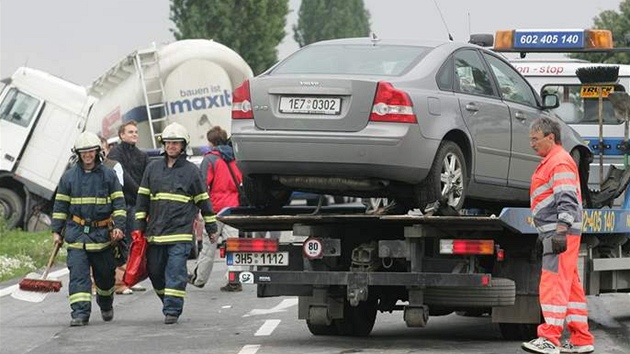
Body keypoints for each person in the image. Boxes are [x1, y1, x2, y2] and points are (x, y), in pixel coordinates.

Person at [522, 117, 595, 354]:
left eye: (535, 139)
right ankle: (581, 339)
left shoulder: (559, 162)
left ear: (550, 137)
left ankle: (550, 338)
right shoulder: (555, 161)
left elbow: (567, 200)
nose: (531, 144)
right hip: (557, 232)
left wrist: (560, 231)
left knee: (553, 283)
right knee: (570, 286)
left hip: (560, 232)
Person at [134, 122, 217, 324]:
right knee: (154, 272)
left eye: (175, 143)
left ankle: (172, 309)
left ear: (183, 146)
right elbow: (142, 201)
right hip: (155, 233)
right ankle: (168, 299)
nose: (171, 146)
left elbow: (204, 201)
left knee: (175, 271)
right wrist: (138, 229)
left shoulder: (191, 171)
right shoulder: (152, 168)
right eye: (168, 142)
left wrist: (211, 227)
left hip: (180, 234)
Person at [50, 131, 126, 326]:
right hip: (77, 235)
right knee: (78, 275)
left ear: (97, 152)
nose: (88, 156)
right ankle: (80, 313)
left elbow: (119, 204)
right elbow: (60, 207)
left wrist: (119, 227)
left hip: (102, 237)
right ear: (78, 154)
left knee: (105, 277)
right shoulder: (68, 178)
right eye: (84, 153)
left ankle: (106, 302)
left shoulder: (109, 175)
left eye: (91, 152)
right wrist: (56, 231)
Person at [188, 126, 243, 291]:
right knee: (233, 244)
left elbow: (203, 185)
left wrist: (199, 208)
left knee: (209, 245)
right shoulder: (235, 158)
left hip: (214, 208)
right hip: (233, 207)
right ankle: (234, 279)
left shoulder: (210, 159)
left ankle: (199, 279)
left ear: (211, 142)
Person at [107, 120, 149, 292]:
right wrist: (140, 191)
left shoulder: (142, 155)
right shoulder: (116, 154)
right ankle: (120, 280)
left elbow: (148, 175)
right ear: (122, 135)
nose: (134, 135)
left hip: (137, 204)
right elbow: (123, 177)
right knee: (121, 243)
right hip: (123, 204)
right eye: (130, 132)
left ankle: (131, 277)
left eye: (136, 132)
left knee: (134, 242)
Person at [98, 135, 133, 295]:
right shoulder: (80, 168)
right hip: (93, 217)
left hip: (112, 212)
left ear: (106, 148)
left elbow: (118, 189)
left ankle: (120, 283)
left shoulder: (113, 166)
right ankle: (94, 284)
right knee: (95, 250)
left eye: (100, 147)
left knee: (119, 246)